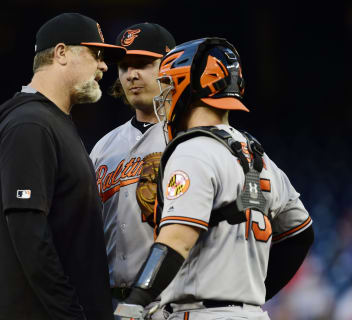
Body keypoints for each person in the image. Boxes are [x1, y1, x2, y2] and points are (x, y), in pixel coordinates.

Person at [115, 38, 314, 320]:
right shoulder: (260, 157)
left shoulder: (191, 151)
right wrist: (253, 293)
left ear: (186, 87)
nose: (166, 96)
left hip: (202, 313)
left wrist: (134, 304)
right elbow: (301, 234)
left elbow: (176, 241)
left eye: (170, 86)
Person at [0, 13, 126, 320]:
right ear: (61, 53)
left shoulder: (52, 123)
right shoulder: (30, 124)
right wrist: (71, 314)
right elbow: (29, 233)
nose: (104, 65)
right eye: (96, 54)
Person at [89, 23, 175, 317]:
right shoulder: (103, 149)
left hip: (176, 303)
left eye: (144, 64)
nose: (131, 74)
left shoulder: (191, 139)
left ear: (170, 67)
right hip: (114, 304)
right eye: (124, 66)